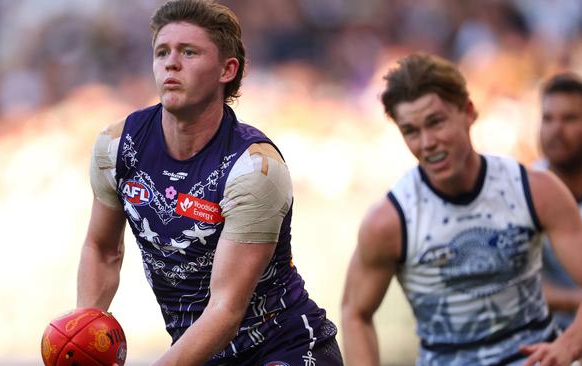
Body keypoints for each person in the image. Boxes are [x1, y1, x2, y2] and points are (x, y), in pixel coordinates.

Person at [76, 1, 342, 365]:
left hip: (284, 349)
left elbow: (225, 309)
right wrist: (86, 335)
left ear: (226, 69)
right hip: (199, 356)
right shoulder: (116, 147)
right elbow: (102, 250)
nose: (171, 63)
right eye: (162, 52)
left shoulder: (254, 168)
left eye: (189, 52)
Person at [341, 53, 582, 365]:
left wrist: (569, 345)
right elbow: (355, 313)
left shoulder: (534, 190)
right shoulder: (389, 221)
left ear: (468, 112)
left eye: (436, 122)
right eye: (411, 131)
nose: (427, 142)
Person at [538, 73, 582, 331]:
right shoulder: (521, 190)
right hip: (547, 339)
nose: (556, 130)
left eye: (570, 118)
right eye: (548, 118)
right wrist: (575, 300)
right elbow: (513, 285)